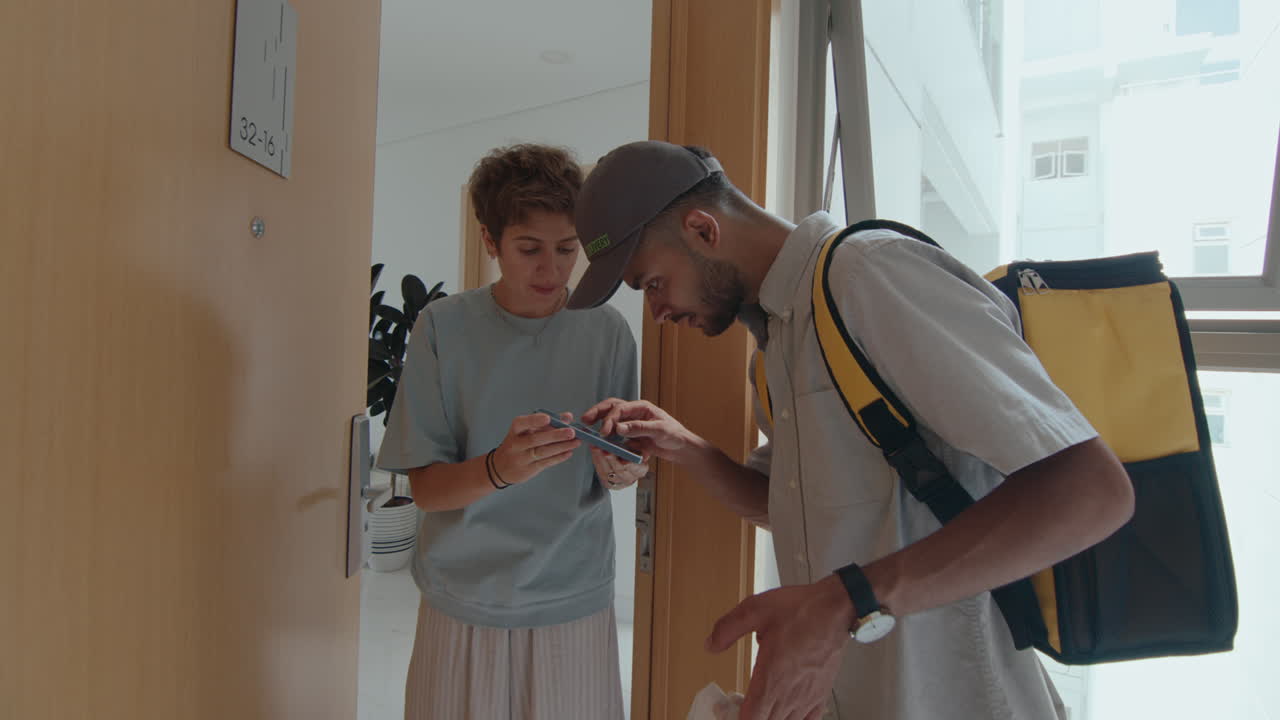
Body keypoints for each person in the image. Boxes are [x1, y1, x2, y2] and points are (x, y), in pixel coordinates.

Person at [567, 141, 1135, 720]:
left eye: (652, 284)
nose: (658, 313)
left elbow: (1092, 491)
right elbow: (802, 506)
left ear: (702, 230)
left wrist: (846, 600)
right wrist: (685, 448)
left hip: (960, 696)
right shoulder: (776, 345)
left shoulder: (871, 275)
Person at [376, 143, 646, 720]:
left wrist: (622, 470)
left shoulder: (607, 333)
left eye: (567, 248)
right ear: (490, 241)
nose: (552, 270)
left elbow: (622, 462)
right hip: (463, 601)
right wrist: (499, 469)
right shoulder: (442, 328)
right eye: (529, 249)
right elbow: (425, 489)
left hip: (573, 597)